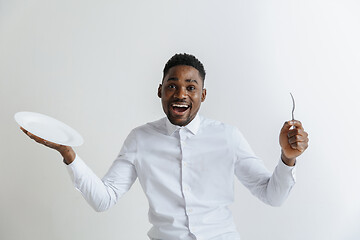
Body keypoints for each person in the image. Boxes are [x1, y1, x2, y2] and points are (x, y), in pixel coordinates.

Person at [21, 53, 309, 240]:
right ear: (160, 90)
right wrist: (69, 155)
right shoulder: (140, 139)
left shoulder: (228, 137)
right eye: (172, 85)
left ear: (203, 95)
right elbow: (103, 199)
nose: (180, 93)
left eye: (191, 87)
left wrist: (287, 158)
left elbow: (272, 196)